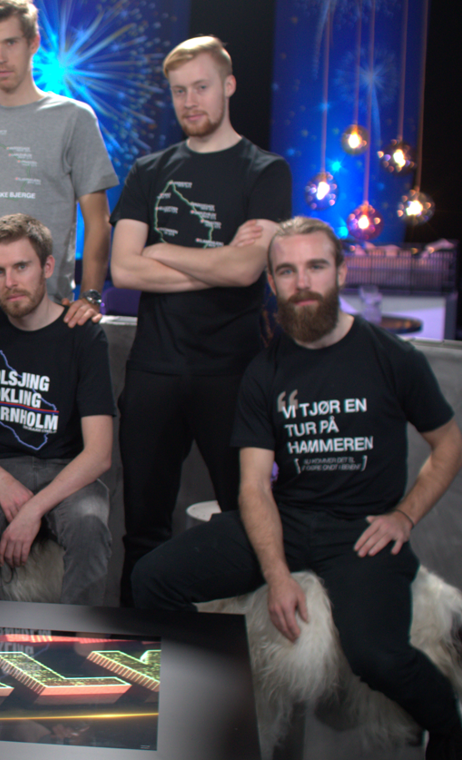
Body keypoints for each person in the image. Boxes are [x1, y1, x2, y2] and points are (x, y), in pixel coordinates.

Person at [132, 217, 462, 760]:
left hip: (360, 533)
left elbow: (448, 444)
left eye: (315, 267)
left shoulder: (391, 357)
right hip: (286, 518)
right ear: (272, 282)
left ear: (341, 272)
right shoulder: (265, 371)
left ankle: (448, 725)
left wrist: (404, 516)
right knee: (151, 580)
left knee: (376, 657)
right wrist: (278, 575)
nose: (302, 283)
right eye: (286, 271)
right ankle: (219, 708)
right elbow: (253, 486)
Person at [109, 35, 292, 605]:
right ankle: (137, 645)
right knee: (143, 526)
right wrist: (222, 263)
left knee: (247, 522)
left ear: (228, 85)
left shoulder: (265, 171)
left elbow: (247, 270)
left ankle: (243, 646)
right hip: (154, 370)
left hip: (232, 374)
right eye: (179, 91)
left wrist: (163, 250)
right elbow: (124, 269)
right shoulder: (149, 169)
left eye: (202, 87)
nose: (190, 101)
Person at [0, 214, 114, 605]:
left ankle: (76, 639)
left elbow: (99, 454)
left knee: (89, 526)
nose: (10, 282)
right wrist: (0, 481)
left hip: (66, 469)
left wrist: (33, 510)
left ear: (47, 267)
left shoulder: (84, 336)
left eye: (22, 267)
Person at [0, 0, 118, 319]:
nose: (0, 57)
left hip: (47, 309)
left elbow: (98, 222)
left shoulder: (74, 118)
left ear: (33, 43)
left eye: (11, 42)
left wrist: (90, 296)